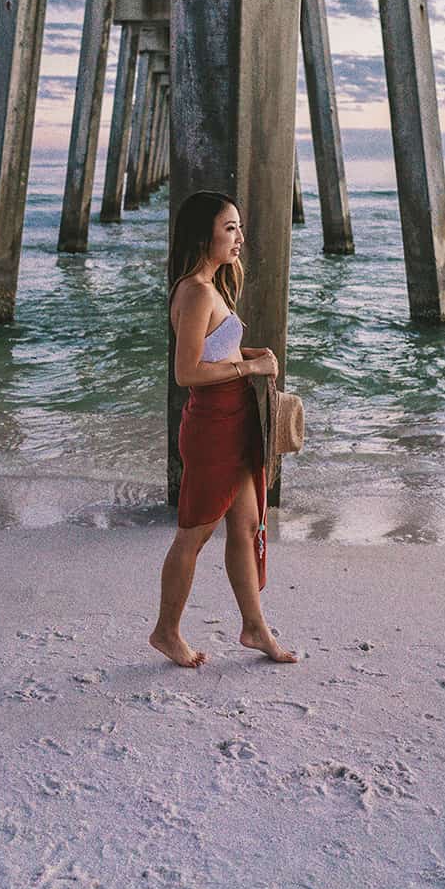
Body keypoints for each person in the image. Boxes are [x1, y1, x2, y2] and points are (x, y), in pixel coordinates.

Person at [149, 190, 297, 668]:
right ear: (204, 233)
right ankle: (166, 632)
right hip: (213, 427)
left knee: (248, 524)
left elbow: (217, 351)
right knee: (193, 535)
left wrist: (253, 356)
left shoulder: (212, 286)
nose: (239, 237)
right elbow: (187, 372)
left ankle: (254, 627)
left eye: (238, 227)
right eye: (229, 227)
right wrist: (248, 372)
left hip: (236, 424)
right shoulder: (194, 291)